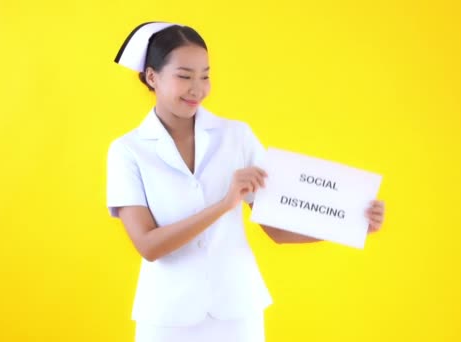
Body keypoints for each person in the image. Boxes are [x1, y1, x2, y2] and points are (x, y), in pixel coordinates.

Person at [106, 21, 385, 342]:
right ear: (152, 77)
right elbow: (148, 245)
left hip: (237, 312)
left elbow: (277, 229)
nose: (198, 89)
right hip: (168, 316)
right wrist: (225, 203)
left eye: (205, 76)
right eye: (184, 76)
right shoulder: (127, 150)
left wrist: (351, 222)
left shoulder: (237, 136)